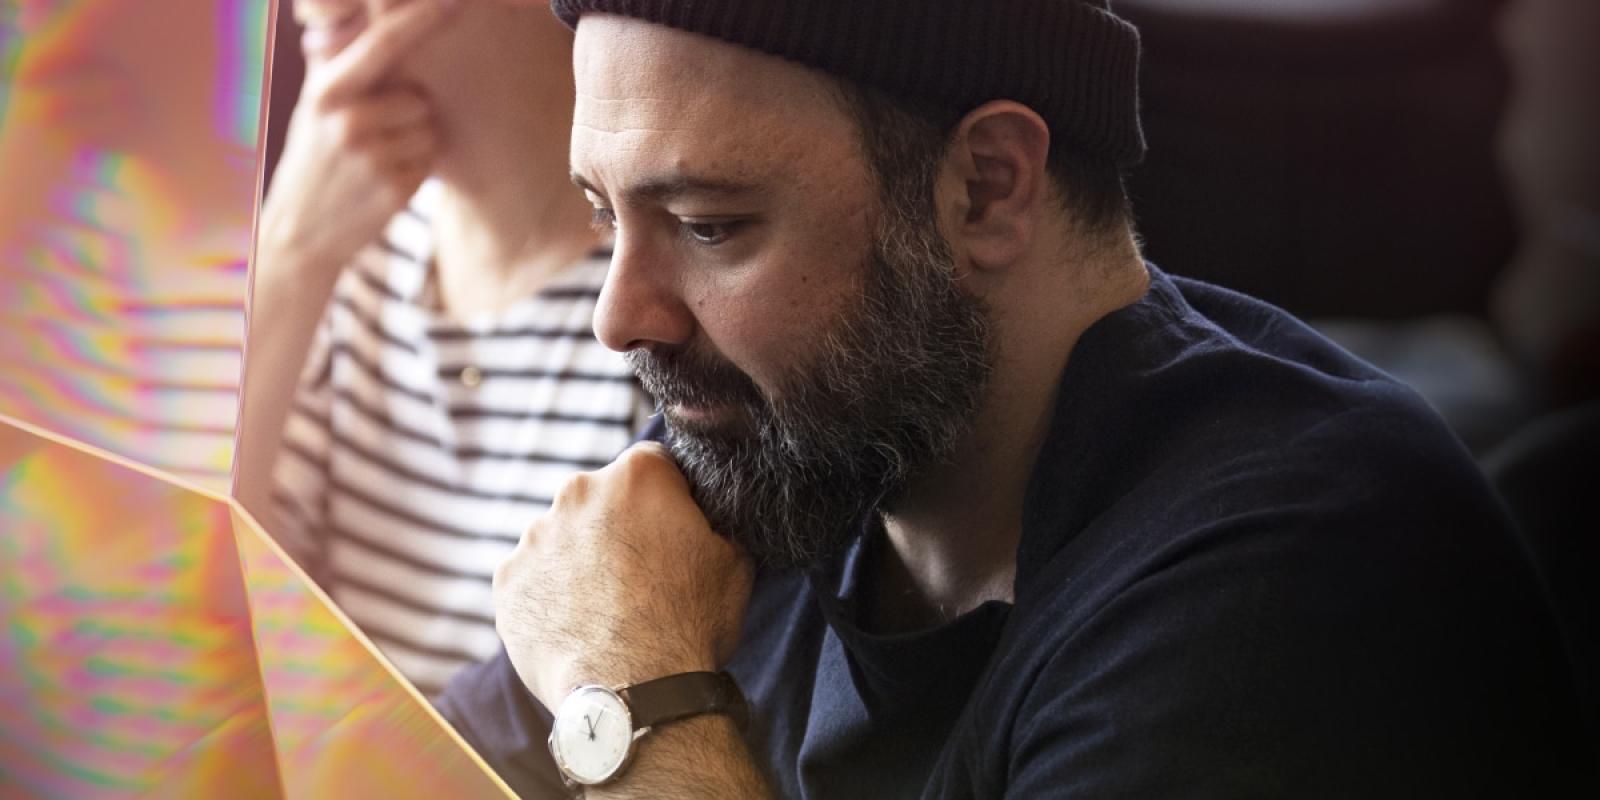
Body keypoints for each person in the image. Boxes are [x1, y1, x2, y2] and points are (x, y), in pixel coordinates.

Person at [440, 1, 1595, 796]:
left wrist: (638, 704)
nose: (622, 316)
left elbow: (617, 691)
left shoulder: (1302, 579)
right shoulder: (800, 441)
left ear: (986, 187)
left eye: (708, 226)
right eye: (605, 215)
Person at [233, 0, 651, 696]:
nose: (312, 14)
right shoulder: (339, 242)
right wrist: (285, 262)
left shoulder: (646, 309)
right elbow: (182, 611)